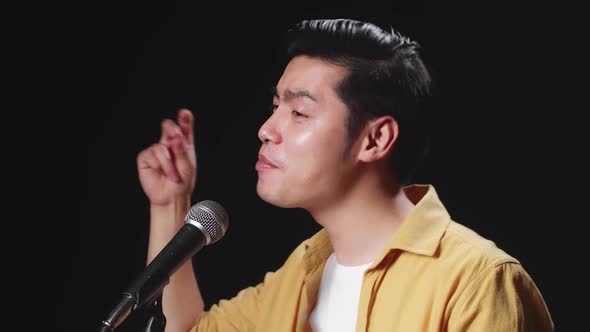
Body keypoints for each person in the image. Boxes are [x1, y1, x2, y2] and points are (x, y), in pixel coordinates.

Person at [136, 19, 554, 332]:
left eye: (299, 112)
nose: (266, 129)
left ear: (375, 139)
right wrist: (171, 204)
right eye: (275, 106)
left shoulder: (476, 281)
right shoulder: (301, 273)